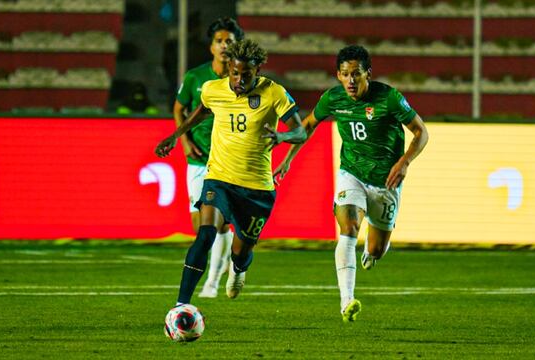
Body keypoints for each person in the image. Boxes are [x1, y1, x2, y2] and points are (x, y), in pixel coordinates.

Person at [274, 45, 429, 322]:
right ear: (338, 75)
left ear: (368, 74)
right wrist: (287, 159)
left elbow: (421, 132)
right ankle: (347, 300)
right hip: (352, 174)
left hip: (385, 183)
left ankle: (373, 252)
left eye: (356, 74)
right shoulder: (333, 99)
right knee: (349, 227)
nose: (350, 81)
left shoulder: (389, 98)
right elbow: (307, 126)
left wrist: (404, 161)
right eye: (344, 74)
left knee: (375, 249)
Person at [156, 39, 306, 310]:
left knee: (241, 251)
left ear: (257, 70)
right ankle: (181, 305)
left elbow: (301, 131)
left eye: (245, 75)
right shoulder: (214, 89)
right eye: (234, 73)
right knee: (205, 236)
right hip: (219, 179)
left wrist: (283, 136)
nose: (238, 79)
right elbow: (199, 113)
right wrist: (175, 136)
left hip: (257, 189)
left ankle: (238, 269)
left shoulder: (274, 93)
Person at [171, 17, 244, 298]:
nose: (224, 46)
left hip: (227, 161)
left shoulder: (241, 78)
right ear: (211, 46)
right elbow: (179, 108)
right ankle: (218, 267)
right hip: (198, 160)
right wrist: (184, 141)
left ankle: (212, 282)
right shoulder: (195, 77)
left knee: (222, 222)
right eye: (219, 41)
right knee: (201, 227)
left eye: (229, 41)